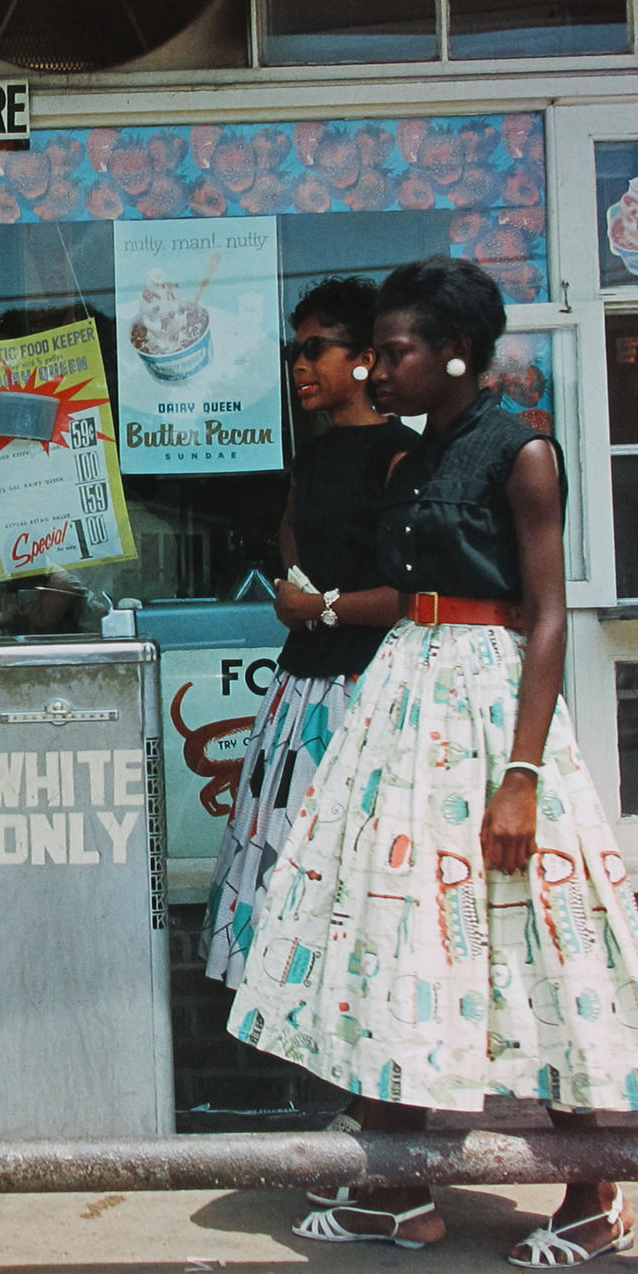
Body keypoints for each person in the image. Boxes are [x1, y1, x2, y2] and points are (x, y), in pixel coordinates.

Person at [226, 256, 638, 1268]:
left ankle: (590, 1195)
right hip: (402, 695)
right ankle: (396, 1184)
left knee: (535, 936)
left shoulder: (518, 451)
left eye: (394, 352)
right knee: (392, 930)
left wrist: (519, 773)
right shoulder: (411, 457)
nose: (378, 369)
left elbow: (546, 614)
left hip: (486, 706)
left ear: (457, 355)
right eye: (377, 352)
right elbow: (396, 588)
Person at [202, 277, 415, 988]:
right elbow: (292, 529)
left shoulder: (401, 457)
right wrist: (297, 584)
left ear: (364, 359)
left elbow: (415, 592)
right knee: (293, 862)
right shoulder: (317, 453)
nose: (299, 366)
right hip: (302, 690)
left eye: (315, 349)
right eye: (294, 351)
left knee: (359, 867)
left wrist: (317, 604)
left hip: (370, 688)